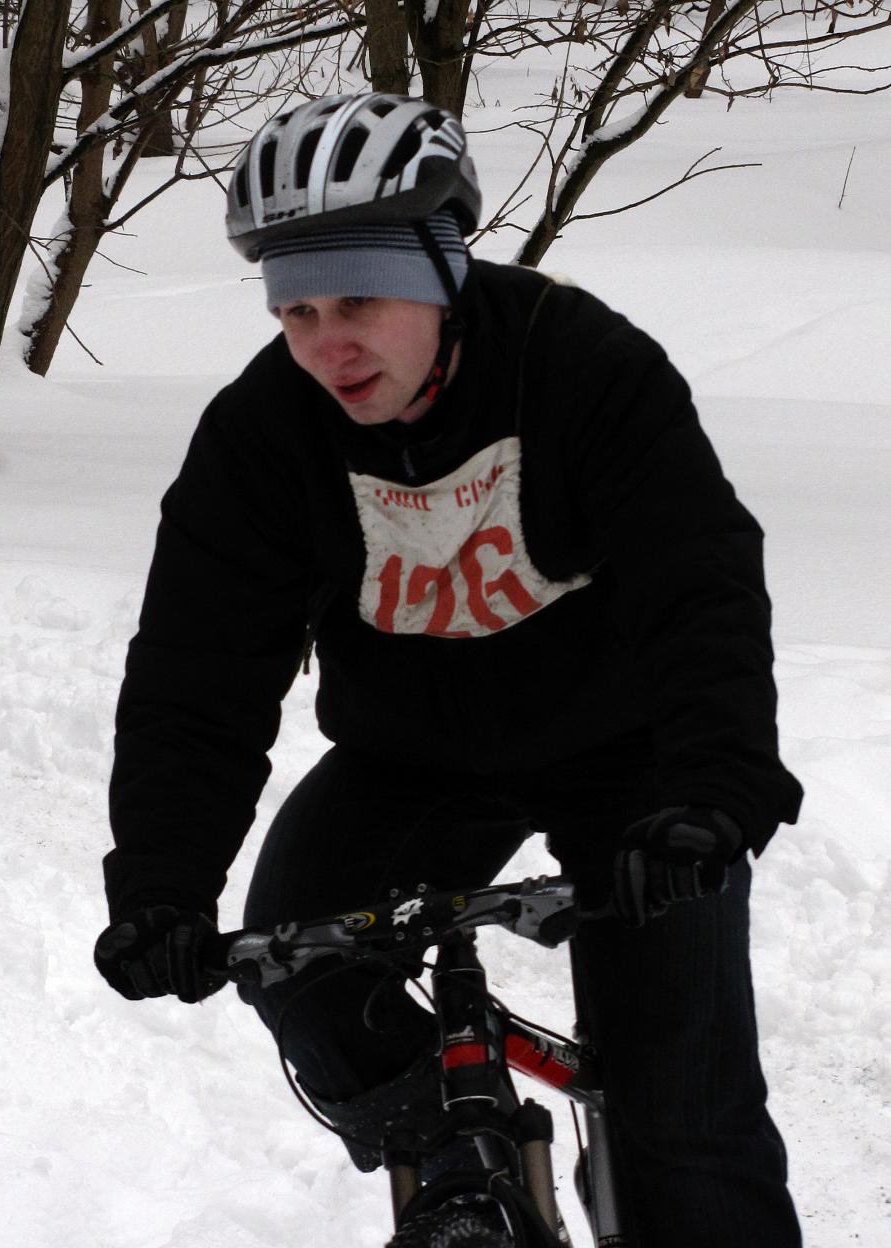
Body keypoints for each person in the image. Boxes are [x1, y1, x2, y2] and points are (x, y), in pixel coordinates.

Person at [94, 93, 804, 1246]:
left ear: (438, 274)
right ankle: (466, 1182)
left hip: (631, 759)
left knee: (681, 1113)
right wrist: (161, 887)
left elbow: (697, 584)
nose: (327, 345)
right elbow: (198, 668)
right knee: (301, 969)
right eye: (296, 311)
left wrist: (714, 789)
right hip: (409, 759)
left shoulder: (582, 368)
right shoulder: (264, 432)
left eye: (358, 302)